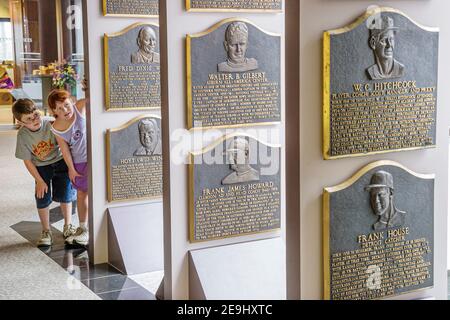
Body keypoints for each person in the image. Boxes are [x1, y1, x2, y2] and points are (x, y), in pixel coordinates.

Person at [12, 99, 77, 247]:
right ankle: (46, 231)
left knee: (66, 195)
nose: (34, 120)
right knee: (42, 197)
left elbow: (66, 144)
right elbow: (27, 160)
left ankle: (68, 226)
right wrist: (39, 180)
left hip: (61, 162)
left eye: (35, 114)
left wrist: (71, 166)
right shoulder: (23, 135)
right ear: (20, 121)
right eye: (28, 119)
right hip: (41, 167)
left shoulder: (51, 123)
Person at [48, 87, 89, 247]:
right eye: (59, 108)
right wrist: (71, 169)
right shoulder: (56, 127)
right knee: (81, 194)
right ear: (54, 111)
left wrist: (87, 87)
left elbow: (92, 98)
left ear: (71, 101)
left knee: (96, 194)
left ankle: (92, 228)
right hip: (79, 162)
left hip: (95, 158)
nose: (65, 109)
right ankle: (83, 227)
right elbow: (64, 150)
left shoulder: (79, 108)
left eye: (66, 104)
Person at [366, 15, 404, 80]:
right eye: (384, 40)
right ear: (373, 43)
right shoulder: (371, 72)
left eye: (391, 39)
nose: (389, 45)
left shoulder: (400, 69)